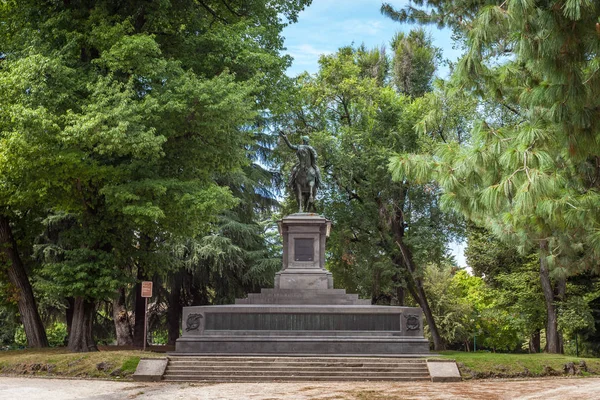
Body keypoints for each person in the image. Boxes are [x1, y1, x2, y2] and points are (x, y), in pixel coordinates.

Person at [279, 131, 322, 213]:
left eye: (303, 140)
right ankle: (290, 182)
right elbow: (291, 146)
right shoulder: (299, 147)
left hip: (310, 164)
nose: (303, 141)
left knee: (317, 170)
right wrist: (285, 138)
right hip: (301, 164)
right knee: (294, 170)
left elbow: (315, 155)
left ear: (305, 141)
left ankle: (320, 183)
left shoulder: (310, 148)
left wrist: (314, 157)